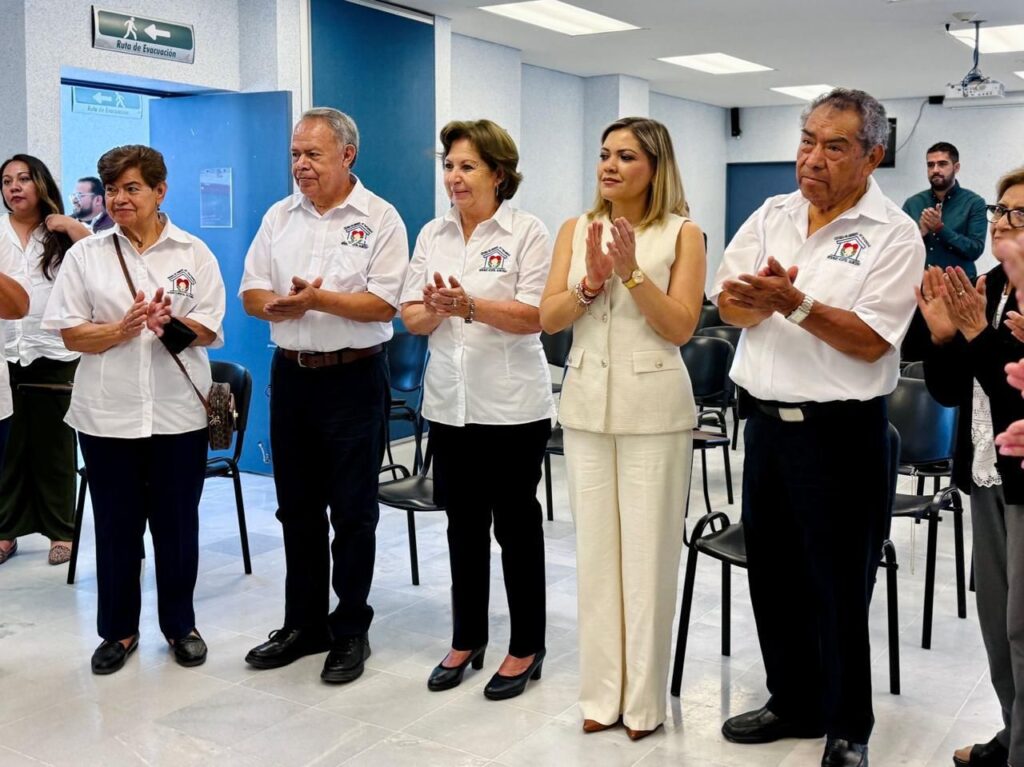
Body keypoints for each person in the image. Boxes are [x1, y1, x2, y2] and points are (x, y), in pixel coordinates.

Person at [710, 88, 924, 767]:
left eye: (835, 146)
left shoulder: (894, 233)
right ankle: (792, 700)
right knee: (773, 576)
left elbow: (870, 341)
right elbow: (729, 305)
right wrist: (756, 301)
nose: (813, 158)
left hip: (841, 434)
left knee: (837, 586)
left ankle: (848, 725)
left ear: (872, 156)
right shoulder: (771, 214)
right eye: (807, 140)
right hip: (766, 427)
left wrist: (792, 302)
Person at [539, 117, 706, 739]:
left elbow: (681, 326)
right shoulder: (575, 228)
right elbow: (548, 317)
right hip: (587, 406)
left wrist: (632, 273)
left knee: (648, 559)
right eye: (605, 154)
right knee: (597, 559)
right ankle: (601, 695)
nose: (609, 166)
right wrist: (589, 283)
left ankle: (643, 704)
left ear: (655, 167)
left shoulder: (683, 233)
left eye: (627, 156)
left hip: (654, 411)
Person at [41, 144, 226, 674]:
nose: (119, 199)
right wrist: (120, 330)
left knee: (177, 528)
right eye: (112, 189)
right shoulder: (86, 255)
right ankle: (118, 631)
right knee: (116, 528)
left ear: (159, 191)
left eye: (132, 188)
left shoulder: (194, 252)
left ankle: (181, 626)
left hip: (178, 416)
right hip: (107, 415)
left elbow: (210, 327)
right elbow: (72, 333)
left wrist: (169, 325)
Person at [240, 107, 408, 684]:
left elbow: (384, 304)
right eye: (295, 154)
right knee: (297, 509)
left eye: (313, 154)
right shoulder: (278, 216)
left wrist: (317, 300)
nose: (301, 165)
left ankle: (350, 628)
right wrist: (277, 306)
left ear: (347, 155)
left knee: (354, 513)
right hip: (292, 377)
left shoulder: (380, 218)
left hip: (353, 379)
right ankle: (304, 623)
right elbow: (250, 291)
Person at [400, 119, 554, 699]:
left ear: (499, 174)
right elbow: (411, 317)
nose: (455, 177)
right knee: (462, 527)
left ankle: (526, 646)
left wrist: (469, 306)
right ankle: (467, 638)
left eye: (468, 166)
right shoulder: (432, 233)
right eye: (449, 166)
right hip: (450, 404)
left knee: (516, 528)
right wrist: (438, 308)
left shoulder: (527, 232)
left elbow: (535, 316)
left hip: (512, 407)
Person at [942, 167, 1024, 767]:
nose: (1000, 221)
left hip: (1021, 475)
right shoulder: (988, 286)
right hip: (984, 468)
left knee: (1022, 628)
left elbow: (1012, 392)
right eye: (1000, 209)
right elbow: (952, 391)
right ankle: (1012, 731)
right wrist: (944, 336)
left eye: (1018, 214)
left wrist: (978, 338)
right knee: (997, 620)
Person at [0, 155, 90, 566]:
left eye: (23, 179)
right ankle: (6, 531)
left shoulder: (60, 232)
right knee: (10, 448)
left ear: (41, 184)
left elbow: (100, 261)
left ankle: (61, 531)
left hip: (54, 350)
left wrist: (72, 227)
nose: (14, 187)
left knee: (55, 447)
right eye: (7, 182)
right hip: (6, 352)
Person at [901, 142, 987, 361]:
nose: (935, 170)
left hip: (958, 296)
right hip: (919, 297)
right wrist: (920, 232)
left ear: (956, 167)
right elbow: (899, 250)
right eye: (930, 165)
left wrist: (940, 229)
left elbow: (975, 249)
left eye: (942, 164)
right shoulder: (913, 203)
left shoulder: (974, 203)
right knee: (913, 359)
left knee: (953, 361)